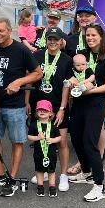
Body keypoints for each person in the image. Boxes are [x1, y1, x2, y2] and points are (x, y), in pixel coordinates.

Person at [0, 17, 42, 197]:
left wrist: (19, 81)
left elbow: (37, 73)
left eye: (1, 31)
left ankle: (12, 178)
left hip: (14, 105)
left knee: (17, 141)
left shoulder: (21, 50)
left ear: (10, 31)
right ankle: (0, 172)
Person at [67, 24, 105, 202]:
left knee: (90, 142)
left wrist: (87, 91)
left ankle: (99, 185)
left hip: (96, 103)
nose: (90, 38)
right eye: (87, 35)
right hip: (79, 102)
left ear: (101, 36)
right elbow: (72, 70)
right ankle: (86, 172)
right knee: (75, 137)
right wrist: (73, 82)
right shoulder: (82, 54)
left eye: (93, 35)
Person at [28, 27, 72, 192]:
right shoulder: (37, 56)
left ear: (61, 41)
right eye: (49, 39)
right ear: (45, 40)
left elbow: (66, 86)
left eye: (55, 39)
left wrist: (62, 108)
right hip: (38, 107)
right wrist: (27, 102)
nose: (52, 42)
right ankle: (44, 171)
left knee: (61, 142)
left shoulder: (67, 60)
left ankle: (63, 175)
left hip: (57, 107)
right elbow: (31, 80)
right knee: (41, 140)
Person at [28, 100, 61, 197]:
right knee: (39, 170)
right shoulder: (34, 125)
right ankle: (40, 186)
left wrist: (53, 140)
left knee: (51, 170)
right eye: (40, 110)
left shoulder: (53, 126)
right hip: (38, 152)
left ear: (50, 113)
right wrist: (37, 138)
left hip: (51, 153)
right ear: (36, 112)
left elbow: (59, 137)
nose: (42, 112)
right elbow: (29, 137)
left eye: (45, 110)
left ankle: (52, 187)